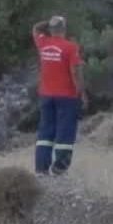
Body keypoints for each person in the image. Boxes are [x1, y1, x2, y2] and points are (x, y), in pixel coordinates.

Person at [32, 15, 86, 176]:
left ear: (50, 29)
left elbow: (35, 28)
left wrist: (47, 23)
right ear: (64, 29)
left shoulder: (42, 43)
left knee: (45, 132)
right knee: (65, 130)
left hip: (46, 95)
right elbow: (75, 72)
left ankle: (41, 168)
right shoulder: (70, 47)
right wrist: (81, 93)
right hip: (67, 95)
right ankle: (60, 167)